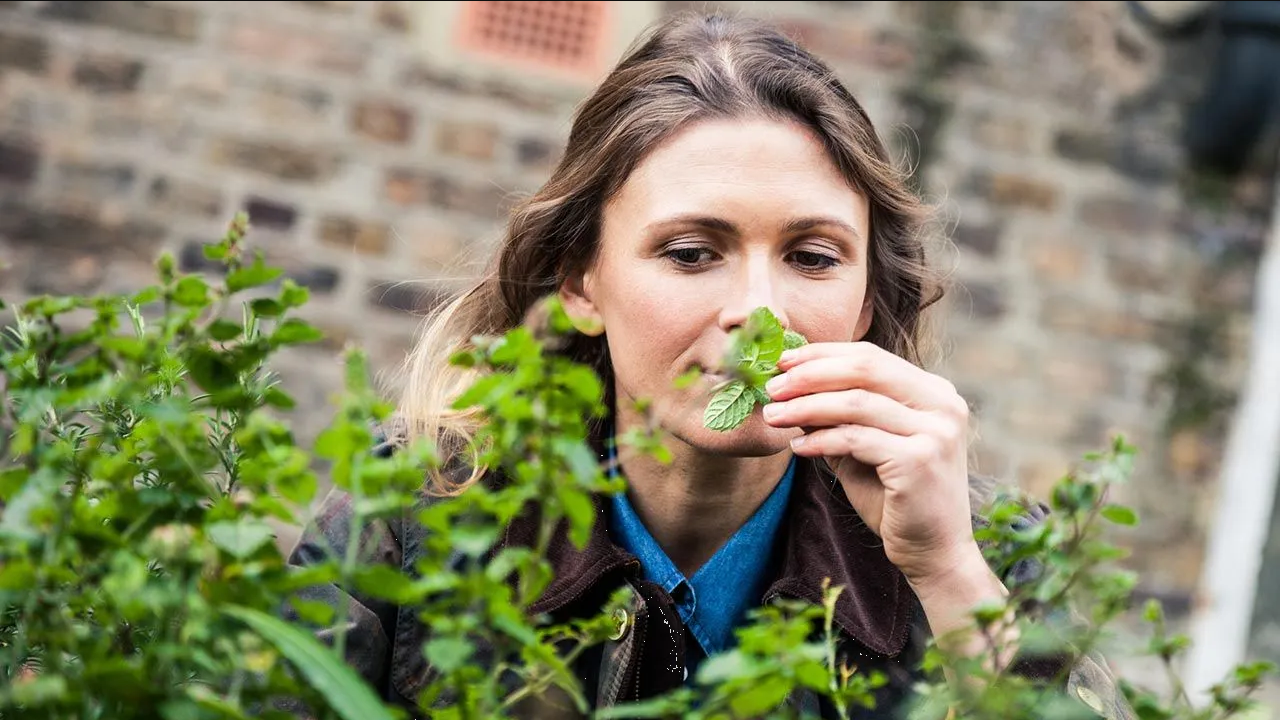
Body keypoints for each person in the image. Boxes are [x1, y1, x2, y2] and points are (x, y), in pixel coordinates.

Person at [282, 11, 1133, 719]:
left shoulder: (985, 556)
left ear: (868, 302)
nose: (759, 311)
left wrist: (947, 574)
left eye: (813, 257)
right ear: (582, 280)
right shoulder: (415, 517)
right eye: (691, 253)